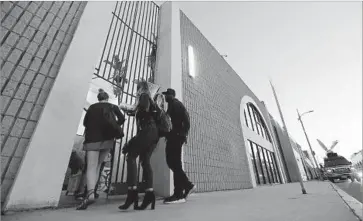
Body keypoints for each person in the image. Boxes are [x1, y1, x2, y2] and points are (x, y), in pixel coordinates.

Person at [76, 89, 125, 210]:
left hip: (93, 139)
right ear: (107, 98)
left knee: (91, 167)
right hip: (108, 139)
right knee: (98, 165)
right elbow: (122, 119)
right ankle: (93, 191)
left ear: (98, 98)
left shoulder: (92, 108)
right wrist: (113, 125)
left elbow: (85, 123)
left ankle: (90, 193)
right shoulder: (113, 106)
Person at [118, 81, 159, 211]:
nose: (136, 91)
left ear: (141, 88)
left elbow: (144, 108)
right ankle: (149, 194)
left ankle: (132, 193)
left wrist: (129, 107)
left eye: (137, 89)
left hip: (147, 131)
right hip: (153, 133)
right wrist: (131, 110)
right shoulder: (149, 100)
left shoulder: (144, 96)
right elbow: (143, 111)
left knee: (130, 157)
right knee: (145, 162)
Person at [162, 88, 196, 204]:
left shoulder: (176, 104)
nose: (165, 97)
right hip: (175, 137)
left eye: (166, 95)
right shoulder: (172, 105)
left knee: (174, 163)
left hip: (176, 137)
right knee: (173, 163)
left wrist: (181, 134)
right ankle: (183, 189)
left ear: (171, 95)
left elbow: (186, 120)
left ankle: (180, 192)